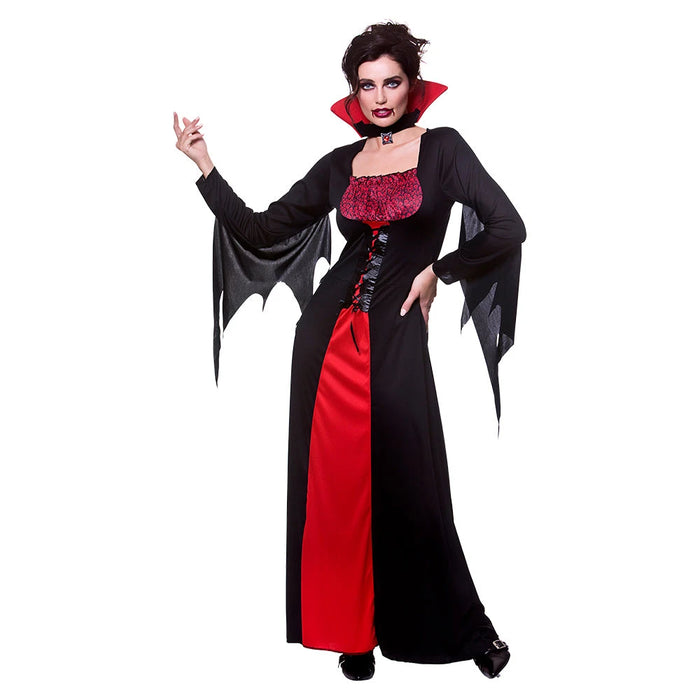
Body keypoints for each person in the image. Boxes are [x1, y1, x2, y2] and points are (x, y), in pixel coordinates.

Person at [174, 22, 525, 682]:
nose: (380, 97)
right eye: (367, 86)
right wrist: (205, 167)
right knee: (334, 491)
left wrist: (440, 271)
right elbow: (260, 229)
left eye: (391, 82)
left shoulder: (444, 150)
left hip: (395, 338)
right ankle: (352, 633)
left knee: (415, 485)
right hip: (324, 343)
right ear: (354, 93)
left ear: (412, 85)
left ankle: (469, 629)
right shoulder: (339, 164)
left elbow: (508, 227)